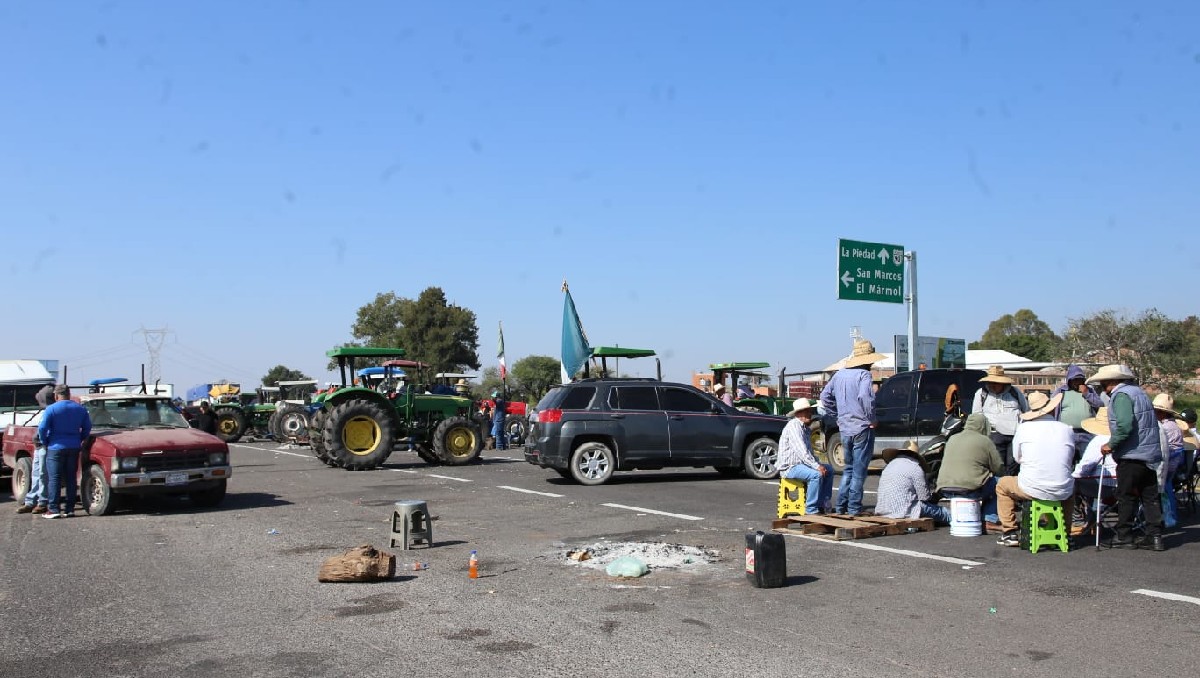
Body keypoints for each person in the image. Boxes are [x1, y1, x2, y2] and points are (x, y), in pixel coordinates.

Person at [1087, 364, 1165, 550]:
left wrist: (1110, 444)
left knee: (1126, 496)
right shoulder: (1140, 393)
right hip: (1148, 453)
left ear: (1114, 380)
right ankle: (1155, 537)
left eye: (1104, 382)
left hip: (1132, 453)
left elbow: (1124, 426)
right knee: (1150, 497)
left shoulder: (1121, 395)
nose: (1103, 386)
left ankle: (1124, 535)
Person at [993, 392, 1075, 547]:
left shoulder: (1024, 429)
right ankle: (1065, 532)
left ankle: (1009, 532)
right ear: (1052, 409)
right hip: (1061, 488)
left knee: (1002, 485)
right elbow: (1069, 458)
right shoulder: (1067, 429)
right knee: (1069, 490)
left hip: (1031, 487)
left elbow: (1017, 458)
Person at [820, 338, 885, 516]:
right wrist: (871, 418)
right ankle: (854, 507)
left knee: (848, 469)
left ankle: (841, 506)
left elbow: (825, 397)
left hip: (845, 428)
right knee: (859, 470)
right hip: (861, 427)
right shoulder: (864, 375)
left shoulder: (839, 374)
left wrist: (837, 415)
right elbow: (865, 397)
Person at [935, 412, 1004, 532]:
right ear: (984, 426)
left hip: (945, 489)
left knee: (985, 484)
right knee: (1001, 484)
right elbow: (998, 467)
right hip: (969, 489)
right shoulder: (985, 441)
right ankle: (989, 520)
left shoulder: (952, 438)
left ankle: (980, 515)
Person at [36, 384, 92, 519]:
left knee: (54, 478)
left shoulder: (51, 409)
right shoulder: (80, 409)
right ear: (69, 394)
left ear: (56, 396)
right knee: (71, 478)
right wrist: (79, 438)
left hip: (55, 447)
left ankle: (53, 509)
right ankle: (69, 509)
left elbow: (42, 428)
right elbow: (87, 427)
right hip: (73, 446)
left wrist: (45, 441)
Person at [776, 398, 833, 515]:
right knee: (816, 475)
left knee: (829, 470)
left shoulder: (805, 428)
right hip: (790, 467)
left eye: (809, 411)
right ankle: (811, 509)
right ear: (798, 413)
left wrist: (819, 465)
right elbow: (802, 452)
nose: (809, 414)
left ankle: (822, 504)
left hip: (801, 464)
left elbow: (809, 452)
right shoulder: (794, 426)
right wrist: (817, 467)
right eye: (806, 411)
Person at [971, 365, 1030, 476]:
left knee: (1014, 465)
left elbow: (1026, 410)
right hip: (994, 435)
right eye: (991, 382)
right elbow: (977, 415)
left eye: (996, 382)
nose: (992, 385)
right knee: (997, 466)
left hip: (1015, 435)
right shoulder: (981, 393)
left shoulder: (1015, 392)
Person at [875, 441, 951, 524]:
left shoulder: (888, 466)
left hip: (883, 510)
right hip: (905, 511)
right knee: (946, 513)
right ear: (916, 455)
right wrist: (935, 496)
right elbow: (924, 497)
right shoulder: (915, 468)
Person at [1072, 407, 1117, 535]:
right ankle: (1092, 519)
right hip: (1122, 485)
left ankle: (1078, 519)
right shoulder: (1122, 438)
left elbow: (1085, 467)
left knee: (1072, 483)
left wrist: (1072, 476)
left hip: (1103, 486)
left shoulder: (1099, 440)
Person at [16, 384, 56, 514]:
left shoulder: (51, 411)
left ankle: (41, 502)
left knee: (43, 475)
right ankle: (31, 501)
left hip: (43, 446)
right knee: (36, 474)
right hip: (40, 446)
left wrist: (42, 441)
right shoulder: (48, 411)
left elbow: (44, 429)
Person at [1051, 364, 1103, 460]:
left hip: (1087, 432)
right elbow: (1051, 407)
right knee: (1067, 458)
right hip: (1067, 432)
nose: (1077, 382)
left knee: (1087, 459)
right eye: (1074, 380)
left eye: (1079, 380)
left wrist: (1086, 394)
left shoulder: (1089, 390)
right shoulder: (1061, 391)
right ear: (1069, 380)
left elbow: (1100, 405)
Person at [1151, 393, 1186, 529]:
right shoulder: (1172, 425)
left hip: (1167, 463)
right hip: (1172, 462)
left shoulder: (1166, 427)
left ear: (1162, 413)